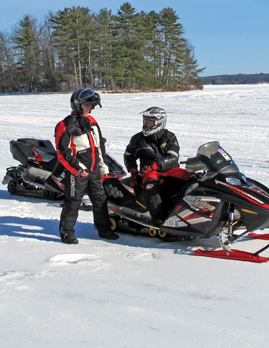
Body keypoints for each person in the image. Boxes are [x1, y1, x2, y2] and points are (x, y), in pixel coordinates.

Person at [55, 88, 119, 244]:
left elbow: (99, 147)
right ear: (78, 104)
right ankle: (67, 233)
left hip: (94, 169)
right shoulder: (65, 125)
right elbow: (63, 152)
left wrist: (103, 166)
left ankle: (103, 230)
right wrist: (77, 169)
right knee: (73, 201)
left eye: (93, 105)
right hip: (77, 172)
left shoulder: (93, 122)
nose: (91, 108)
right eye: (88, 105)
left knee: (100, 199)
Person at [123, 106, 180, 225]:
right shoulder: (138, 139)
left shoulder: (169, 137)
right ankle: (159, 219)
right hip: (148, 173)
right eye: (145, 121)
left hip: (169, 170)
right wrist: (133, 172)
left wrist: (155, 165)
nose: (146, 125)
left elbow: (173, 157)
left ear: (159, 123)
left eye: (149, 122)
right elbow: (129, 154)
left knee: (191, 177)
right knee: (150, 186)